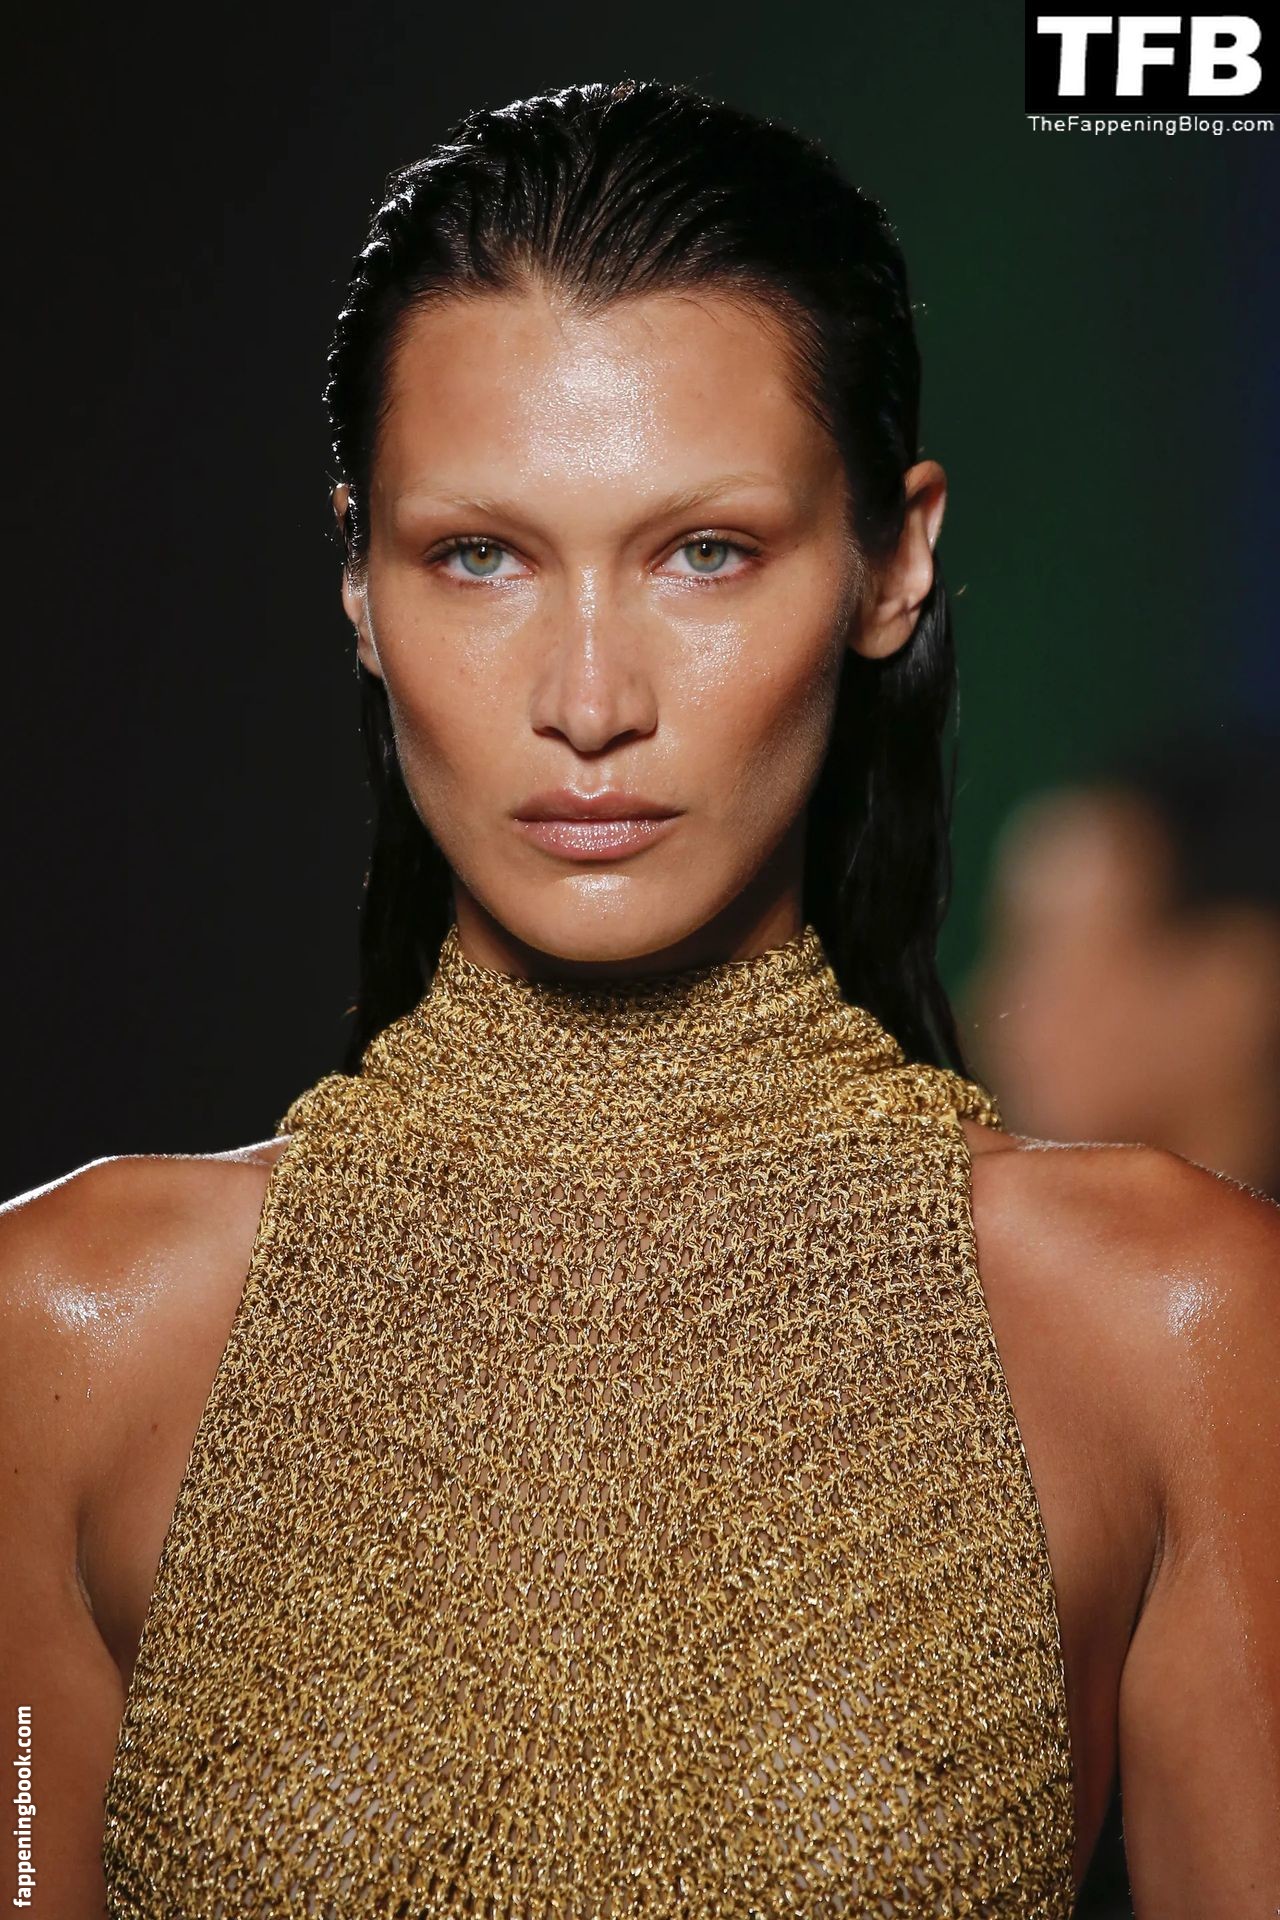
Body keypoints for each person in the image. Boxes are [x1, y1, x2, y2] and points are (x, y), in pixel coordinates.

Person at [2, 78, 1276, 1920]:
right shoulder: (63, 1332)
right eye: (479, 556)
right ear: (357, 584)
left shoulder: (1173, 1323)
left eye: (704, 553)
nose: (589, 701)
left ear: (893, 561)